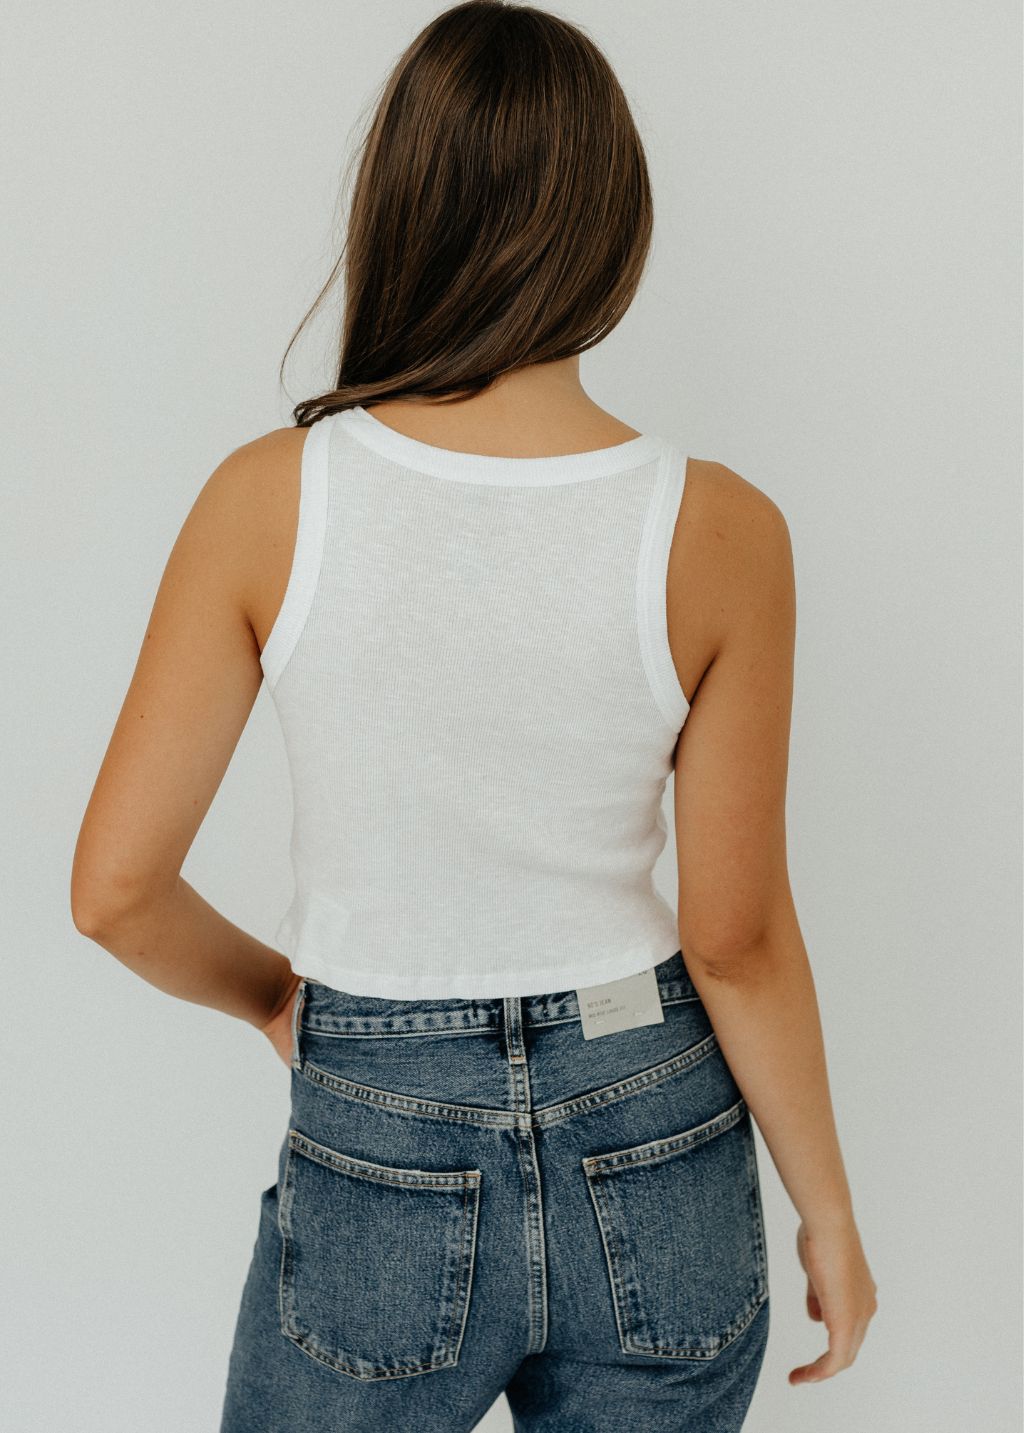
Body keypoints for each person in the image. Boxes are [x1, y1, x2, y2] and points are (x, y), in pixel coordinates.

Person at [70, 2, 877, 1428]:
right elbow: (735, 939)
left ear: (400, 204)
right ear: (613, 222)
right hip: (658, 1117)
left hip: (382, 1122)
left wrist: (275, 998)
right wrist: (828, 1209)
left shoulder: (269, 499)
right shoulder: (722, 529)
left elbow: (116, 892)